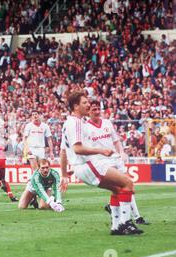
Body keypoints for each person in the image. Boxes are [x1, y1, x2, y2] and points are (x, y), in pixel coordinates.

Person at [60, 91, 143, 235]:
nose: (88, 105)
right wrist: (101, 151)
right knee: (128, 183)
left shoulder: (68, 123)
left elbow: (63, 151)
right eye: (85, 103)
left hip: (82, 167)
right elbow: (77, 149)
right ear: (76, 106)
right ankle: (126, 224)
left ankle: (116, 227)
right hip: (88, 165)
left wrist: (65, 173)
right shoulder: (77, 122)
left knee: (118, 189)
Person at [87, 100, 149, 226]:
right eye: (94, 109)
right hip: (102, 163)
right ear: (88, 111)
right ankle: (131, 219)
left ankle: (126, 216)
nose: (97, 111)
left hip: (115, 158)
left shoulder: (107, 123)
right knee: (123, 186)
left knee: (126, 186)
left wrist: (121, 153)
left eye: (98, 108)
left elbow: (116, 140)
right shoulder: (86, 128)